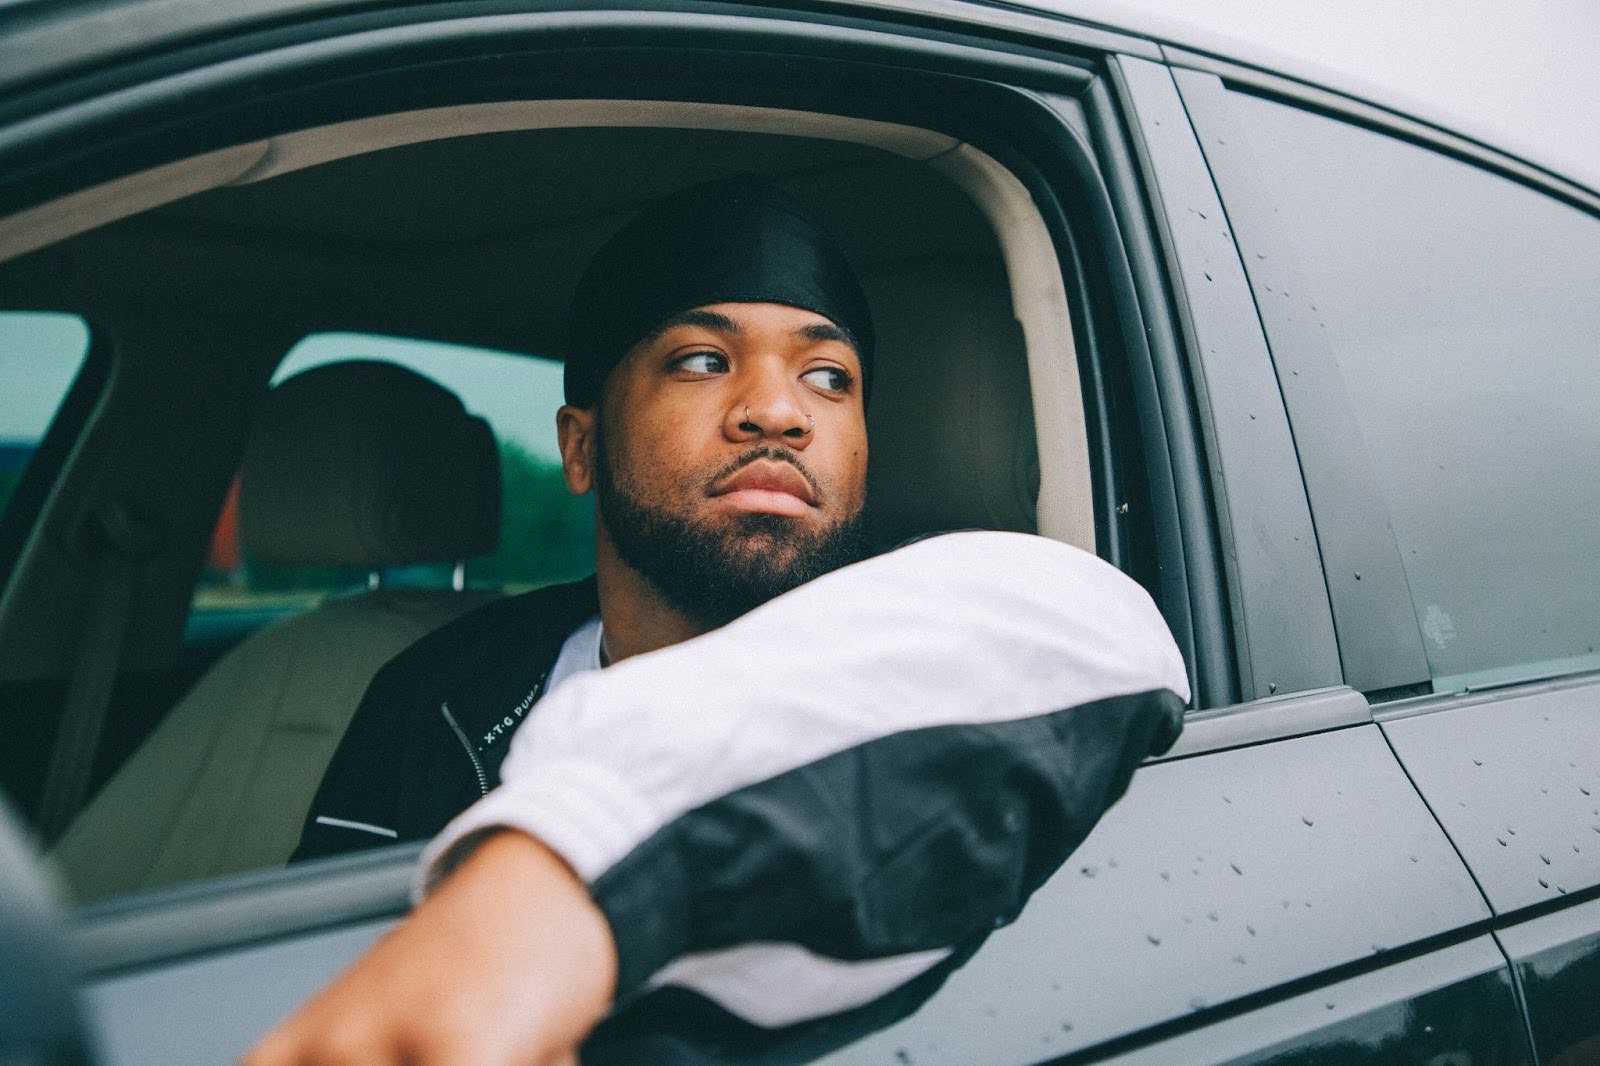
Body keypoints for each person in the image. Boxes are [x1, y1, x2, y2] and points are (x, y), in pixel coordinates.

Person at [247, 179, 1188, 1065]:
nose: (777, 411)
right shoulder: (438, 688)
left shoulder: (977, 648)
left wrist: (565, 875)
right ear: (581, 448)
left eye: (828, 376)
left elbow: (1096, 626)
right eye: (702, 360)